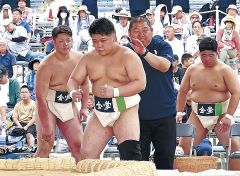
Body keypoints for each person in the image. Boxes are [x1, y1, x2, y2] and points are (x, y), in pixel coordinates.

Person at [67, 17, 146, 161]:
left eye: (103, 41)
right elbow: (73, 79)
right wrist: (73, 91)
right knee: (86, 156)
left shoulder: (128, 56)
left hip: (123, 106)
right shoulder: (88, 58)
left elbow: (141, 83)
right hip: (101, 110)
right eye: (95, 41)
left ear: (113, 36)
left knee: (130, 153)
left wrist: (115, 92)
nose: (98, 45)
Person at [176, 37, 240, 170]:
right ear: (198, 54)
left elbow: (236, 93)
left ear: (217, 53)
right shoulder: (192, 69)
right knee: (183, 149)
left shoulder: (225, 70)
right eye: (203, 55)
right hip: (198, 114)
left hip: (221, 115)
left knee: (234, 151)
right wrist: (179, 111)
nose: (207, 59)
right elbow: (183, 91)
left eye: (211, 55)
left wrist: (229, 116)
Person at [128, 16, 176, 169]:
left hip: (164, 114)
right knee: (137, 164)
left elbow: (164, 65)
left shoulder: (162, 46)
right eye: (136, 30)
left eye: (145, 30)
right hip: (136, 116)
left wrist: (144, 52)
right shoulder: (125, 51)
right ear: (129, 33)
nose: (141, 34)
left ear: (152, 31)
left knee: (165, 160)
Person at [34, 25, 87, 163]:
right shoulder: (46, 65)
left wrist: (84, 107)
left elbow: (85, 83)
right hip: (48, 104)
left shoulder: (79, 58)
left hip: (68, 104)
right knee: (46, 144)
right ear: (54, 42)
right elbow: (40, 98)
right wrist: (46, 126)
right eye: (61, 41)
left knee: (79, 145)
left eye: (68, 40)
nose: (66, 44)